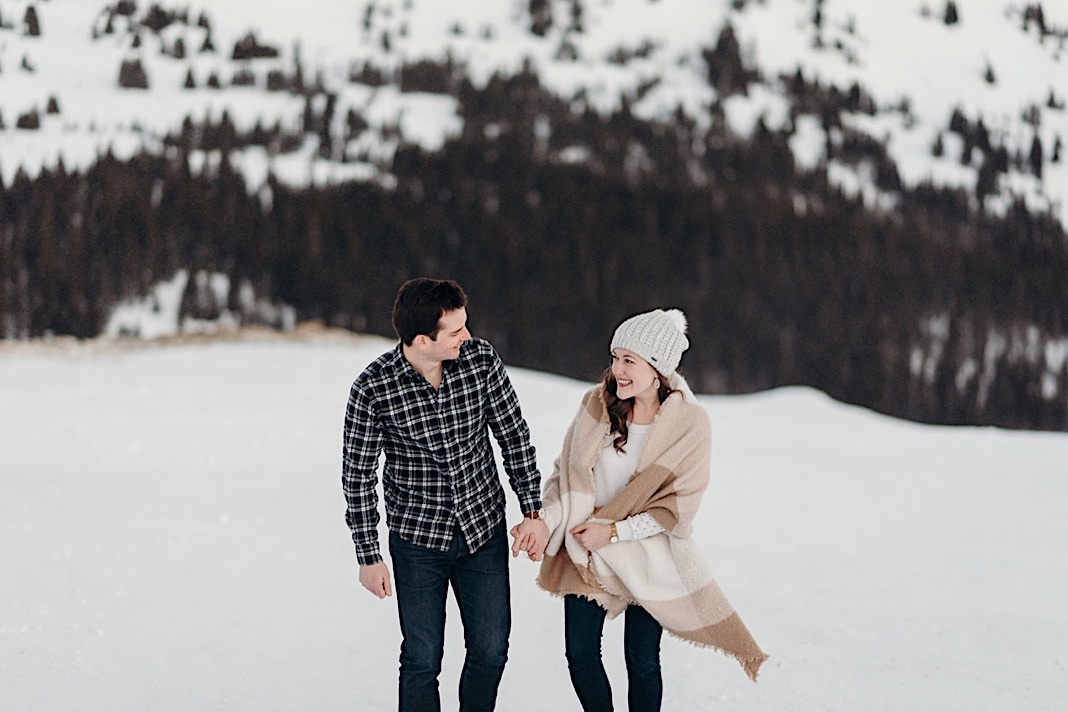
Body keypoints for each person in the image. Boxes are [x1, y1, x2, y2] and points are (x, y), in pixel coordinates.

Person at [535, 308, 767, 711]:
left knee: (641, 660)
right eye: (615, 357)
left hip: (648, 552)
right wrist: (548, 520)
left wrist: (613, 532)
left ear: (658, 369)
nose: (617, 370)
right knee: (580, 654)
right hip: (585, 548)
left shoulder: (689, 424)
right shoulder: (596, 403)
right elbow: (565, 476)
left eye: (629, 361)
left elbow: (678, 509)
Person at [341, 277, 549, 712]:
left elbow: (513, 435)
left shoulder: (480, 360)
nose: (467, 337)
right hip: (418, 543)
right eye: (455, 331)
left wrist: (532, 509)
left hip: (482, 532)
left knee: (491, 651)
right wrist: (369, 555)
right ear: (422, 340)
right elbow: (358, 476)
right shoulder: (372, 389)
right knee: (421, 659)